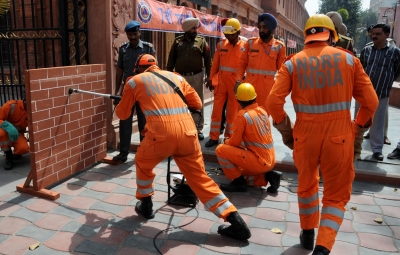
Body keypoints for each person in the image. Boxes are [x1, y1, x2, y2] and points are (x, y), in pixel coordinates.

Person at [266, 14, 378, 255]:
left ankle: (307, 234)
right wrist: (357, 128)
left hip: (305, 137)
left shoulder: (292, 63)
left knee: (306, 187)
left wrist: (287, 132)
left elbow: (273, 103)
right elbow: (371, 102)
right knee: (336, 197)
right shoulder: (348, 61)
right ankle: (323, 247)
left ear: (307, 36)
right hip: (340, 136)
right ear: (332, 35)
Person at [115, 54, 251, 240]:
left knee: (142, 163)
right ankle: (235, 220)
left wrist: (125, 95)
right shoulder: (177, 77)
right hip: (188, 134)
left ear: (138, 68)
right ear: (157, 65)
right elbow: (197, 104)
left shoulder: (134, 82)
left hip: (160, 138)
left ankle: (146, 204)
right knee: (201, 179)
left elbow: (122, 115)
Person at [215, 83, 282, 193]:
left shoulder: (242, 116)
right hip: (270, 159)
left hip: (259, 162)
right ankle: (268, 176)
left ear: (238, 101)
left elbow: (234, 143)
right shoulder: (263, 111)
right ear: (255, 97)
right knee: (240, 171)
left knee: (220, 150)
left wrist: (225, 141)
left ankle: (238, 183)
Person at [113, 20, 156, 163]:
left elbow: (154, 70)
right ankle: (123, 153)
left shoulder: (148, 48)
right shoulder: (123, 49)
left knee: (145, 123)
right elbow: (119, 71)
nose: (132, 37)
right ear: (127, 34)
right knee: (125, 121)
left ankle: (145, 152)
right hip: (128, 90)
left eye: (135, 34)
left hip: (144, 91)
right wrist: (117, 91)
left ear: (139, 33)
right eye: (130, 34)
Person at [166, 17, 212, 141]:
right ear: (186, 29)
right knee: (180, 103)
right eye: (192, 28)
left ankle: (198, 129)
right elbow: (171, 60)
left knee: (197, 102)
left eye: (195, 27)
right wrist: (168, 77)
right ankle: (183, 127)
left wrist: (209, 77)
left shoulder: (201, 41)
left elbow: (208, 61)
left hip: (197, 76)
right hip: (180, 77)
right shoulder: (177, 42)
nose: (195, 30)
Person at [204, 18, 248, 147]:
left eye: (231, 33)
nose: (228, 35)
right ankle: (213, 137)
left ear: (238, 32)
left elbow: (246, 65)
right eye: (226, 33)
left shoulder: (245, 46)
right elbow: (215, 63)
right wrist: (211, 78)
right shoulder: (221, 45)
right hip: (222, 82)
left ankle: (229, 137)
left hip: (236, 84)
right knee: (216, 111)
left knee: (232, 113)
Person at [360, 23, 400, 161]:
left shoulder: (395, 52)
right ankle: (354, 147)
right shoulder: (366, 50)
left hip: (382, 93)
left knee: (378, 122)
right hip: (363, 93)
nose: (374, 36)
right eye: (373, 33)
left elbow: (397, 70)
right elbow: (361, 69)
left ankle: (377, 150)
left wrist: (386, 81)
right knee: (359, 121)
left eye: (378, 34)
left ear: (387, 35)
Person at [235, 13, 286, 110]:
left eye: (265, 27)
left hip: (266, 91)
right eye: (260, 27)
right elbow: (242, 64)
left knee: (262, 119)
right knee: (244, 117)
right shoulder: (250, 43)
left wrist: (279, 93)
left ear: (271, 29)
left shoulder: (280, 47)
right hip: (248, 89)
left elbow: (282, 72)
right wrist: (238, 80)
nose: (261, 30)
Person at [0, 98, 29, 170]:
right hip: (6, 130)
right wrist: (7, 125)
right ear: (25, 102)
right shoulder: (11, 106)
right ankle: (8, 155)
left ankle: (17, 152)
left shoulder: (33, 111)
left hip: (19, 133)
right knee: (2, 133)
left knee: (23, 148)